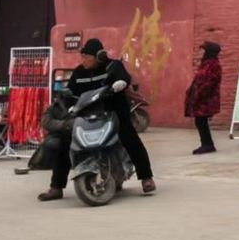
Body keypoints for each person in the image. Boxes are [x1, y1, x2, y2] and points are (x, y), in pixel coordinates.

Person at [38, 38, 156, 201]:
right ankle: (56, 187)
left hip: (113, 114)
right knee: (66, 142)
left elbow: (123, 76)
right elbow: (72, 91)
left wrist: (121, 82)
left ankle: (146, 178)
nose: (84, 61)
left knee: (130, 137)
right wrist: (67, 98)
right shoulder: (79, 73)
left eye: (87, 57)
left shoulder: (112, 66)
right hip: (87, 116)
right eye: (83, 57)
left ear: (98, 56)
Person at [186, 41, 222, 155]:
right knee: (200, 121)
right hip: (202, 97)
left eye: (205, 51)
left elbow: (209, 82)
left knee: (201, 121)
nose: (203, 53)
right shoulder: (207, 63)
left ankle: (207, 145)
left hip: (206, 99)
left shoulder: (213, 65)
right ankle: (207, 144)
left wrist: (199, 93)